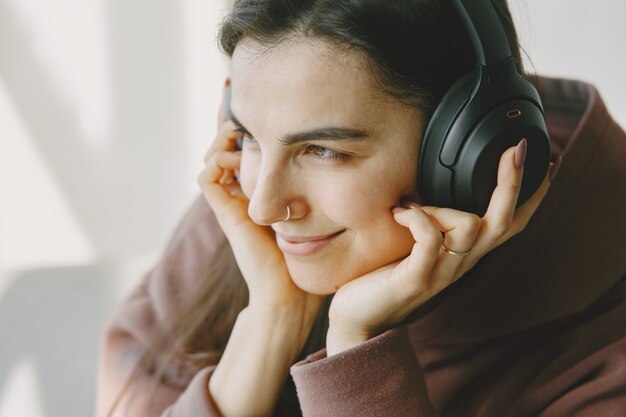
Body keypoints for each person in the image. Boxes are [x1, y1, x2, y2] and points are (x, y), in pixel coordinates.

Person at [95, 0, 626, 416]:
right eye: (250, 135)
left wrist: (355, 353)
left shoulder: (604, 357)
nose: (262, 208)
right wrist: (271, 321)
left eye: (324, 150)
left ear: (467, 158)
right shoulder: (257, 210)